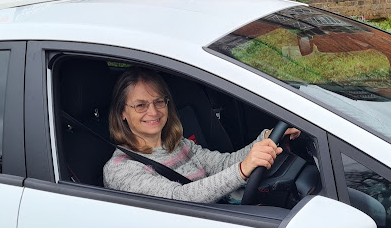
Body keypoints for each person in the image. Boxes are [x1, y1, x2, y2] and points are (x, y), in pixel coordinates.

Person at [103, 68, 300, 203]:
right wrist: (241, 170)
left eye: (159, 102)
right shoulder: (120, 169)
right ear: (122, 112)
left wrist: (267, 138)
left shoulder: (177, 144)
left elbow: (223, 164)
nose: (153, 112)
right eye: (140, 105)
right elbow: (179, 199)